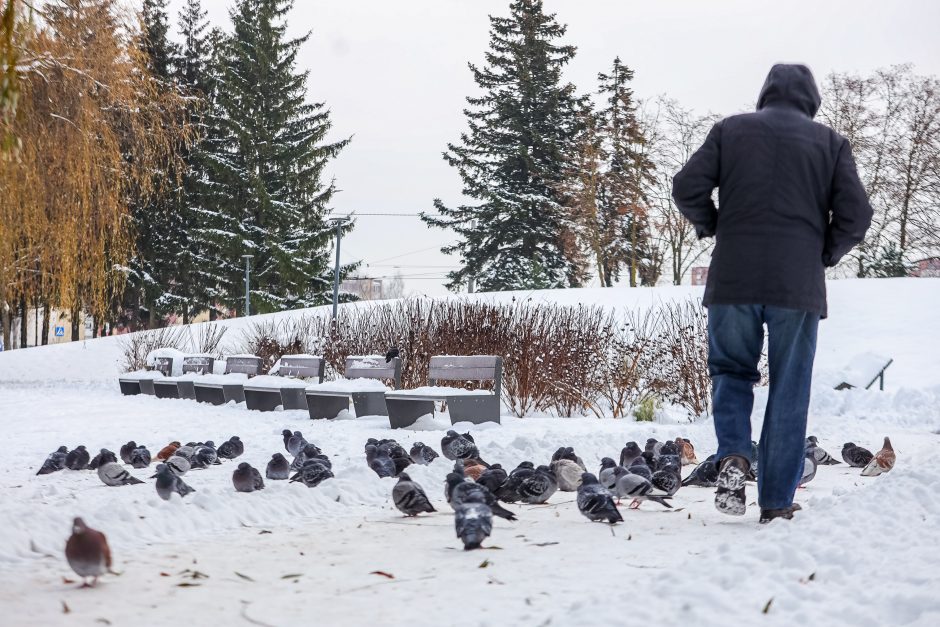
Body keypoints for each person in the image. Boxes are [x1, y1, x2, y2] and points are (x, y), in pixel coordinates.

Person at [672, 64, 872, 523]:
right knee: (789, 387)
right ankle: (776, 501)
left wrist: (713, 224)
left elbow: (687, 187)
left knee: (730, 371)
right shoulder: (829, 143)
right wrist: (822, 252)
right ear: (811, 100)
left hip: (734, 279)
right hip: (795, 286)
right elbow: (856, 214)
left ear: (765, 95)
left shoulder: (730, 130)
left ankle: (735, 458)